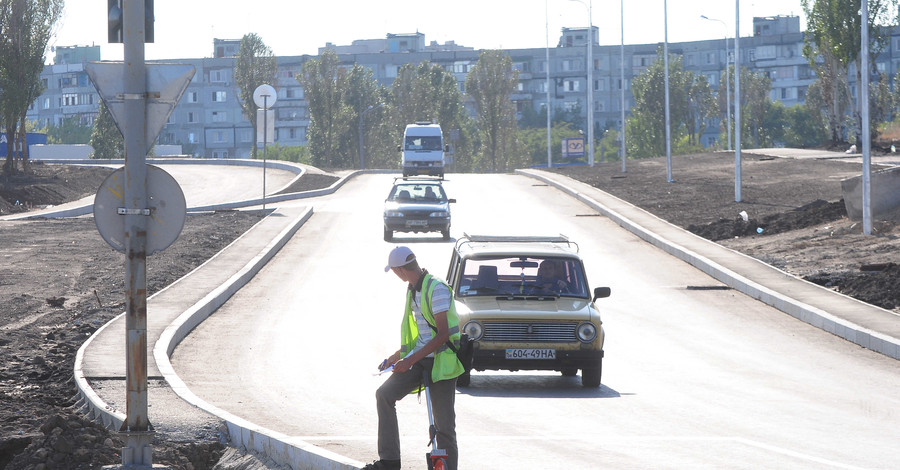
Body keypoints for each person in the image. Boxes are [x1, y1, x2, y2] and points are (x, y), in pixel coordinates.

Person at [364, 246, 464, 470]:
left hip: (441, 362)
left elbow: (443, 334)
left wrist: (409, 360)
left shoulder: (437, 288)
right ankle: (389, 462)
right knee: (384, 395)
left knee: (444, 426)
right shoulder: (412, 290)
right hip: (419, 360)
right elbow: (419, 336)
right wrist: (395, 357)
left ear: (399, 270)